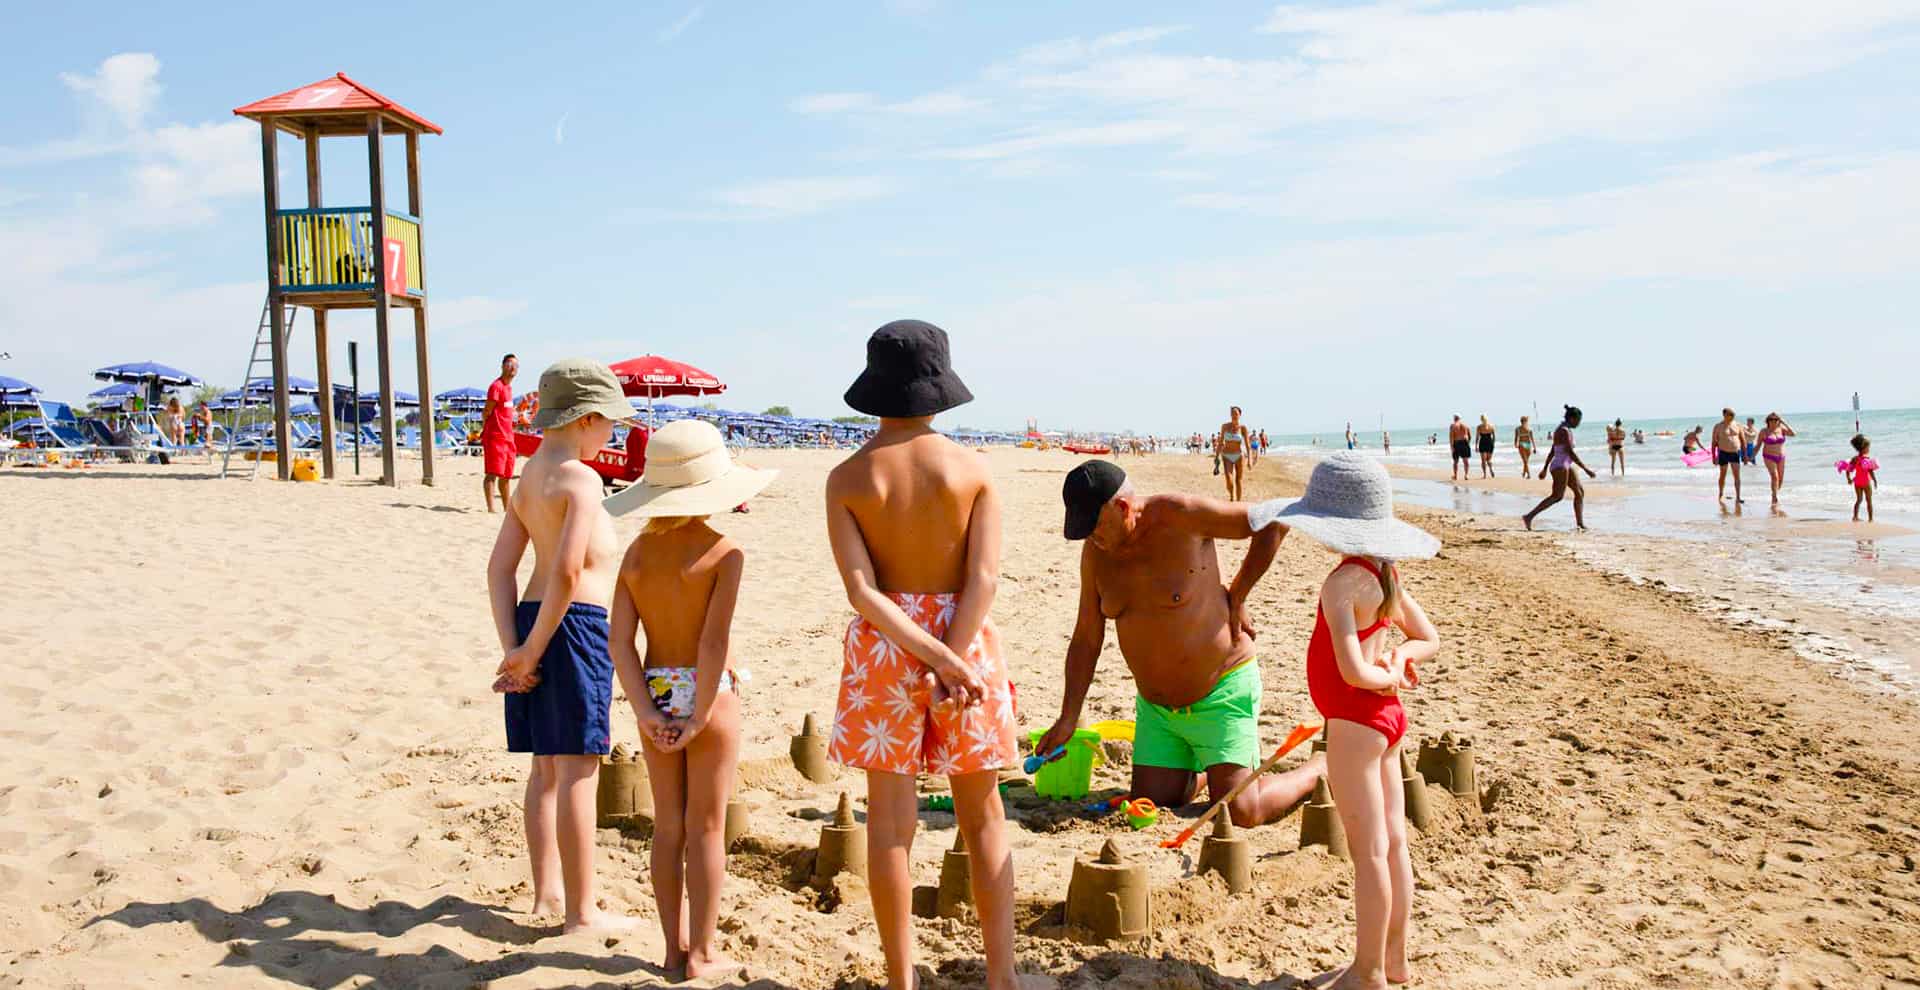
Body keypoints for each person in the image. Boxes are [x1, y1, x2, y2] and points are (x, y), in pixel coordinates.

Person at [824, 320, 1020, 990]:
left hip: (886, 648)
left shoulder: (847, 477)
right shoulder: (973, 470)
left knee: (888, 826)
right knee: (983, 817)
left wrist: (926, 653)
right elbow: (983, 580)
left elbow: (861, 592)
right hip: (963, 641)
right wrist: (951, 660)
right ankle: (1002, 978)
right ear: (939, 387)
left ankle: (900, 979)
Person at [1038, 460, 1324, 827]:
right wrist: (1068, 716)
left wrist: (1238, 594)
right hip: (1158, 711)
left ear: (1122, 507)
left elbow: (1274, 521)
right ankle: (1208, 769)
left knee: (1240, 811)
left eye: (1094, 527)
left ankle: (1320, 768)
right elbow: (1086, 638)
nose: (1092, 538)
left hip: (1220, 691)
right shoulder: (1096, 554)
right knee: (1154, 802)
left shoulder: (1181, 516)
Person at [1249, 453, 1440, 990]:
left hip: (1355, 723)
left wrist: (1386, 673)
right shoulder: (1386, 576)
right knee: (1394, 843)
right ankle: (1395, 959)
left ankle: (1369, 970)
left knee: (1369, 852)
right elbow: (1428, 639)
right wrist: (1401, 659)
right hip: (1386, 722)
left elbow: (1352, 671)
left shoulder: (1341, 585)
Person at [605, 420, 776, 980]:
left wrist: (644, 710)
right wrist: (701, 714)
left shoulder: (636, 554)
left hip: (655, 687)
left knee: (668, 828)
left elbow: (619, 642)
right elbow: (713, 644)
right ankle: (702, 953)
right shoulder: (724, 552)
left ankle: (671, 951)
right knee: (706, 828)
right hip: (708, 691)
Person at [486, 358, 639, 933]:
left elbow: (500, 570)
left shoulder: (530, 475)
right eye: (610, 423)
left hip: (530, 618)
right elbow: (570, 573)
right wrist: (531, 651)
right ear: (586, 418)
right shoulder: (582, 479)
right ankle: (581, 912)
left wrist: (516, 647)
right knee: (578, 767)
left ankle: (546, 895)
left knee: (545, 767)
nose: (613, 434)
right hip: (574, 626)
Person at [1522, 406, 1596, 531]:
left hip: (1565, 465)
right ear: (1572, 419)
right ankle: (1529, 516)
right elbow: (1570, 452)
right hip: (1560, 466)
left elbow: (1553, 450)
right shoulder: (1563, 431)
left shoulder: (1564, 429)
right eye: (1578, 420)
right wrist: (1586, 469)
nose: (1578, 423)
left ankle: (1580, 524)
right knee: (1557, 496)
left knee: (1579, 492)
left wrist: (1545, 468)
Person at [482, 354, 520, 513]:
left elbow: (506, 412)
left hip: (508, 437)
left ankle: (506, 508)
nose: (513, 368)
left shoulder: (509, 388)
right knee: (492, 473)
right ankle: (491, 509)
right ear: (503, 366)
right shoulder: (496, 386)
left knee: (506, 475)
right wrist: (488, 428)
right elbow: (487, 411)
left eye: (516, 365)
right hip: (496, 437)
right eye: (510, 364)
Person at [1758, 413, 1795, 505]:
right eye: (1771, 419)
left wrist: (1784, 422)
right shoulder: (1764, 431)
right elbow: (1758, 445)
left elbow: (1793, 434)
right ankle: (1774, 497)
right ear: (1768, 421)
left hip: (1781, 457)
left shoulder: (1781, 429)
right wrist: (1750, 455)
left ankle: (1774, 493)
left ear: (1779, 421)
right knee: (1775, 477)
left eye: (1776, 420)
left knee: (1780, 479)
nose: (1773, 421)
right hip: (1768, 456)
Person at [1216, 407, 1251, 501]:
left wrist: (1250, 460)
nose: (1234, 415)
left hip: (1239, 455)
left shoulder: (1243, 428)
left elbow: (1248, 445)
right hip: (1227, 455)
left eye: (1236, 414)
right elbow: (1220, 442)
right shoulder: (1224, 426)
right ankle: (1231, 496)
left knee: (1238, 480)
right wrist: (1216, 456)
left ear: (1240, 415)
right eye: (1232, 413)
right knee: (1229, 479)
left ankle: (1238, 502)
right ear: (1230, 415)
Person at [1712, 408, 1744, 504]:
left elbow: (1743, 440)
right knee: (1723, 475)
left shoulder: (1738, 425)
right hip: (1723, 452)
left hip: (1735, 452)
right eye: (1730, 414)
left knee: (1737, 475)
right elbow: (1714, 443)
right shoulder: (1718, 426)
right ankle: (1721, 493)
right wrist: (1714, 456)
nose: (1732, 416)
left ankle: (1738, 497)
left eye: (1733, 415)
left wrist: (1745, 455)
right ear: (1724, 415)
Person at [1845, 434, 1878, 522]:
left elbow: (1848, 469)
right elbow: (1871, 471)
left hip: (1857, 482)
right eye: (1868, 447)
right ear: (1863, 448)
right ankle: (1870, 519)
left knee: (1859, 500)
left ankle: (1855, 517)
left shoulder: (1855, 459)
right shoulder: (1867, 459)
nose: (1869, 449)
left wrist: (1849, 479)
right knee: (1869, 501)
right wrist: (1875, 480)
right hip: (1866, 482)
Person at [1448, 416, 1471, 481]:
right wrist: (1467, 443)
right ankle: (1466, 475)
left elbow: (1451, 437)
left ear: (1454, 419)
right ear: (1459, 419)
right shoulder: (1465, 426)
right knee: (1465, 460)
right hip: (1464, 443)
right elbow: (1469, 436)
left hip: (1456, 443)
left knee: (1455, 461)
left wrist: (1452, 447)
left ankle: (1455, 476)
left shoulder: (1453, 426)